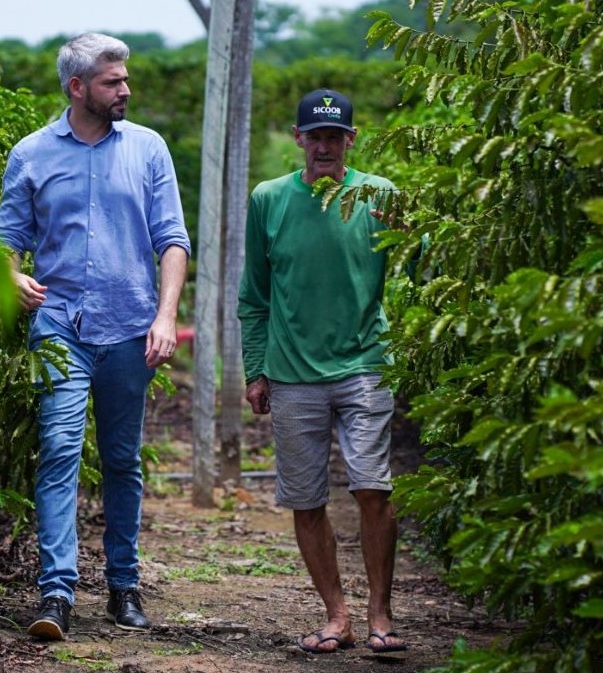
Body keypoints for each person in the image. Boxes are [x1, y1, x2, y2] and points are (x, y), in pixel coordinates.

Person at [0, 33, 191, 642]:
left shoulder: (149, 150)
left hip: (131, 327)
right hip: (60, 325)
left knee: (122, 459)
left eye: (125, 79)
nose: (125, 89)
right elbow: (6, 240)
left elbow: (173, 240)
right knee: (57, 449)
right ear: (77, 88)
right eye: (112, 82)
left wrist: (165, 317)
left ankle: (123, 586)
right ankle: (56, 590)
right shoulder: (30, 153)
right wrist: (13, 277)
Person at [237, 88, 409, 655]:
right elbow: (255, 295)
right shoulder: (269, 199)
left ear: (350, 142)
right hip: (292, 374)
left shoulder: (380, 196)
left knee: (372, 487)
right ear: (299, 139)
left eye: (335, 137)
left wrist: (410, 343)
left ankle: (381, 613)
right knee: (305, 498)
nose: (325, 146)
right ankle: (337, 616)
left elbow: (414, 268)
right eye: (316, 136)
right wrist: (256, 369)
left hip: (365, 364)